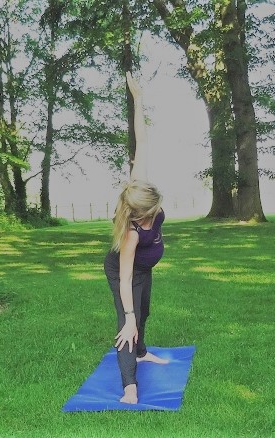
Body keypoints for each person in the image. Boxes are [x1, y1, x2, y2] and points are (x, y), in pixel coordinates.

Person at [103, 72, 169, 404]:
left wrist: (139, 98)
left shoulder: (138, 186)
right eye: (153, 211)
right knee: (130, 321)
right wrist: (128, 317)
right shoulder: (130, 232)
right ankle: (130, 385)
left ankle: (142, 353)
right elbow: (126, 277)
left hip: (145, 268)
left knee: (146, 313)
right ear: (140, 213)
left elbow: (141, 142)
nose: (158, 211)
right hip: (125, 273)